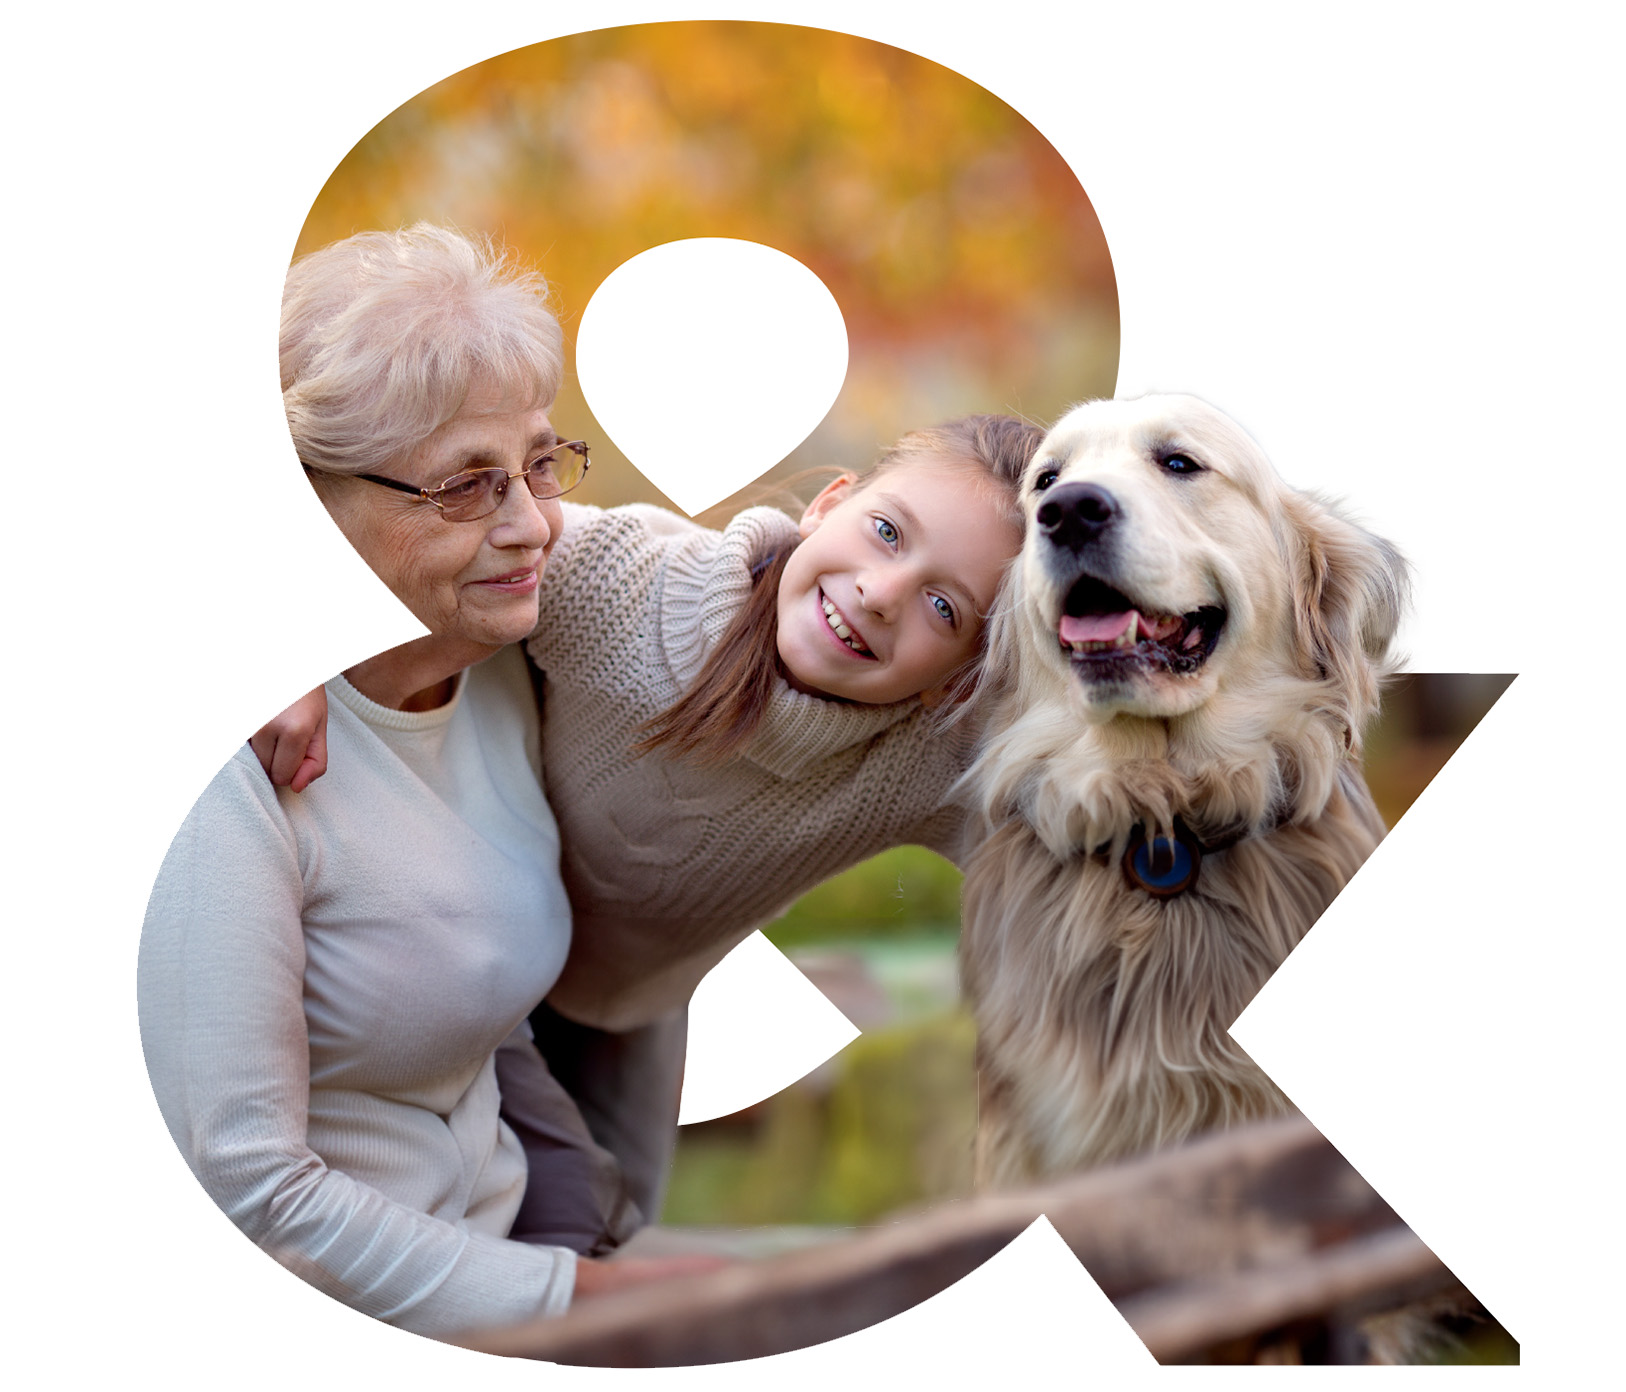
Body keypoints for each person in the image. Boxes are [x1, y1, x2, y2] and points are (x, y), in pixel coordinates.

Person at [138, 224, 716, 1343]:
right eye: (463, 486)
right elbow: (248, 1197)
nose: (530, 524)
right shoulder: (235, 768)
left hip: (513, 1271)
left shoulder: (503, 661)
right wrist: (602, 1305)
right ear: (297, 501)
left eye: (542, 463)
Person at [258, 408, 1044, 1221]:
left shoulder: (927, 765)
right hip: (465, 930)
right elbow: (386, 538)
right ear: (827, 505)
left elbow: (1106, 816)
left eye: (945, 608)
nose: (882, 594)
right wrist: (290, 644)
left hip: (625, 1008)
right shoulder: (620, 580)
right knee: (491, 1203)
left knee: (614, 1222)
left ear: (958, 682)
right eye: (885, 531)